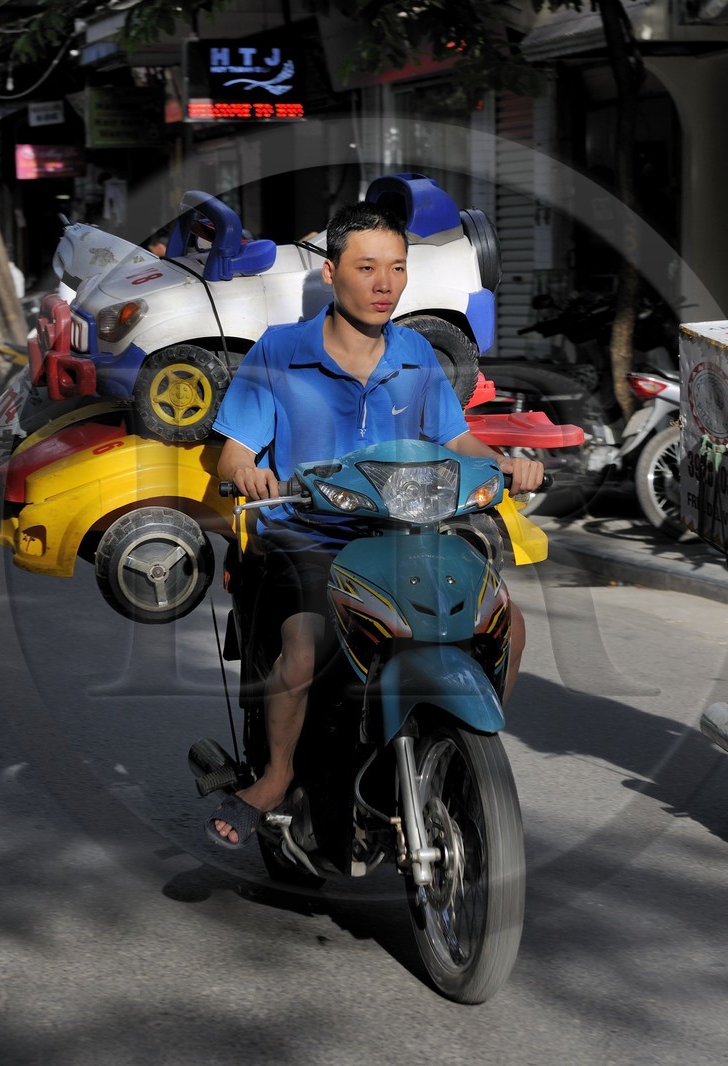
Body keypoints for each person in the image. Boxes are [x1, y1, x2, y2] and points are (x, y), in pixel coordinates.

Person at [205, 201, 545, 848]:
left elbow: (457, 440)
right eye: (367, 267)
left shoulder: (416, 353)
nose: (384, 283)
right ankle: (277, 775)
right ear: (331, 273)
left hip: (407, 534)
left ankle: (463, 747)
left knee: (510, 625)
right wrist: (250, 473)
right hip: (309, 537)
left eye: (396, 267)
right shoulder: (280, 352)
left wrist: (506, 464)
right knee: (304, 644)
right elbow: (234, 454)